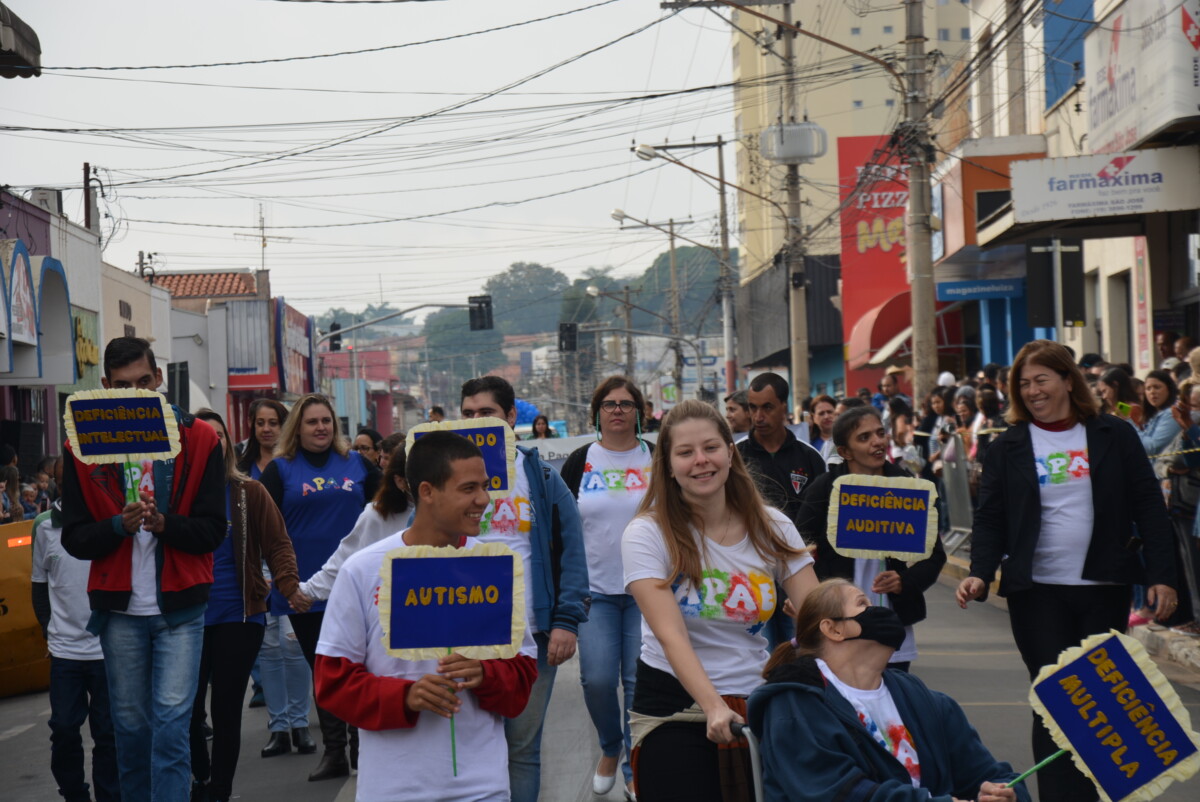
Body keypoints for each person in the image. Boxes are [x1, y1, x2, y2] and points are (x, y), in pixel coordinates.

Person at [956, 339, 1178, 802]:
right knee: (1054, 701)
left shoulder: (1114, 434)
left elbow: (1149, 508)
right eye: (1023, 383)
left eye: (1042, 380)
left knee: (1102, 700)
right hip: (1036, 593)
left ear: (1067, 380)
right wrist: (979, 572)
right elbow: (991, 518)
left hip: (1104, 587)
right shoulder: (1008, 445)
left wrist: (1163, 575)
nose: (1033, 391)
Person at [314, 431, 538, 802]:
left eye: (485, 486)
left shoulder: (494, 566)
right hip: (393, 788)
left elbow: (523, 675)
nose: (484, 500)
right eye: (468, 488)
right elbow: (332, 683)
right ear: (427, 491)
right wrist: (406, 696)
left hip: (484, 786)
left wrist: (486, 674)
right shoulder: (364, 569)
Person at [623, 400, 818, 801]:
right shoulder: (646, 534)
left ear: (730, 453)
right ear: (668, 464)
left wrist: (830, 622)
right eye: (685, 452)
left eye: (711, 447)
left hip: (756, 700)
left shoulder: (773, 525)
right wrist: (713, 706)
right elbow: (671, 636)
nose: (701, 460)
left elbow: (820, 612)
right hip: (675, 705)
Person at [61, 336, 226, 802]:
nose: (135, 393)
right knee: (131, 731)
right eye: (122, 385)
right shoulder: (82, 445)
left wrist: (164, 524)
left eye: (144, 382)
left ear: (159, 378)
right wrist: (119, 525)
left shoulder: (200, 438)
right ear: (105, 385)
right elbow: (74, 538)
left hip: (181, 608)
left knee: (172, 727)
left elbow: (214, 530)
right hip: (119, 613)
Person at [748, 579, 1029, 802]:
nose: (880, 611)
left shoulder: (926, 701)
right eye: (863, 604)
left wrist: (1006, 793)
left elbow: (990, 774)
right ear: (833, 629)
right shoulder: (794, 705)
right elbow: (835, 791)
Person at [459, 375, 590, 802]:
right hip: (463, 637)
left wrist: (566, 622)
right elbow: (415, 546)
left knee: (521, 748)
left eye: (487, 412)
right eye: (468, 414)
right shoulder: (445, 481)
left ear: (512, 416)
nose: (477, 422)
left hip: (530, 637)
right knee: (470, 749)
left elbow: (572, 551)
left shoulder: (542, 478)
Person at [258, 393, 383, 781]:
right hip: (305, 592)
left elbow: (389, 513)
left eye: (326, 420)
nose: (321, 427)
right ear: (298, 427)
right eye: (312, 421)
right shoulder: (280, 470)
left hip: (359, 587)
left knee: (361, 667)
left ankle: (363, 748)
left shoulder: (358, 463)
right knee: (325, 670)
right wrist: (285, 583)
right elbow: (264, 529)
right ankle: (335, 753)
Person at [188, 409, 306, 802]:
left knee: (225, 709)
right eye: (203, 435)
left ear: (227, 444)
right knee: (186, 711)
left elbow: (278, 544)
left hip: (239, 615)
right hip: (185, 617)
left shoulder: (248, 492)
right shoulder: (178, 498)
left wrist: (289, 587)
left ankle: (219, 790)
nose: (212, 441)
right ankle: (199, 777)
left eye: (218, 435)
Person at [797, 406, 947, 672]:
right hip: (837, 619)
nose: (877, 442)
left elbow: (934, 556)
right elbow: (798, 548)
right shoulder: (825, 488)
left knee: (892, 691)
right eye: (864, 437)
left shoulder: (907, 486)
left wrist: (904, 581)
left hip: (892, 619)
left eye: (880, 433)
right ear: (845, 451)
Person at [559, 377, 653, 799]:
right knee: (596, 679)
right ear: (597, 412)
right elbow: (563, 527)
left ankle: (635, 766)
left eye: (626, 404)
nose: (618, 410)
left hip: (647, 589)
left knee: (636, 681)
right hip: (593, 591)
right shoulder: (580, 461)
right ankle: (610, 745)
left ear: (639, 412)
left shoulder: (656, 456)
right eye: (609, 404)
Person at [32, 457, 120, 802]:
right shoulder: (43, 526)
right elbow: (39, 585)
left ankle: (110, 795)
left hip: (107, 648)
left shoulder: (109, 518)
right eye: (64, 479)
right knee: (64, 729)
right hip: (65, 651)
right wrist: (49, 630)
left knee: (108, 733)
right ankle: (74, 794)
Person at [234, 399, 312, 759]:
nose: (266, 429)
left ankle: (300, 724)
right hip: (255, 565)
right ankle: (278, 727)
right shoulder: (241, 466)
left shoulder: (294, 464)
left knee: (293, 644)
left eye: (273, 422)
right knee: (267, 646)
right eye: (260, 423)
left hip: (291, 562)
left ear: (285, 425)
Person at [298, 440, 412, 603]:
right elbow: (345, 559)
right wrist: (306, 592)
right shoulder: (377, 515)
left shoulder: (449, 516)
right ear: (400, 481)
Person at [738, 372, 826, 525]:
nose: (758, 417)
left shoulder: (810, 456)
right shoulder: (735, 455)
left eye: (767, 407)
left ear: (784, 408)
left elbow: (822, 512)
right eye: (753, 408)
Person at [1137, 369, 1179, 456]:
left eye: (1157, 387)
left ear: (1168, 388)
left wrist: (1129, 424)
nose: (1152, 392)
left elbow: (1152, 448)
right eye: (1148, 388)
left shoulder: (1171, 413)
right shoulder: (1154, 414)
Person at [809, 394, 837, 463]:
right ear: (813, 417)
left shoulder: (846, 440)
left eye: (829, 412)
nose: (826, 416)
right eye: (821, 413)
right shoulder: (809, 444)